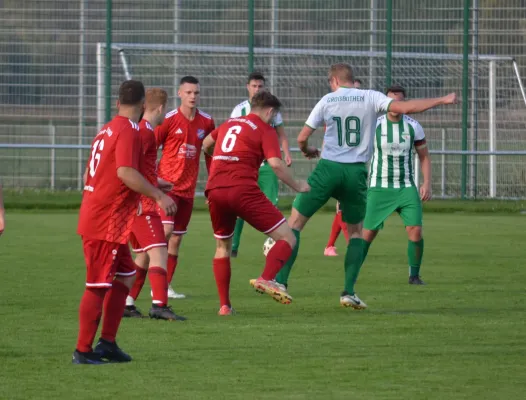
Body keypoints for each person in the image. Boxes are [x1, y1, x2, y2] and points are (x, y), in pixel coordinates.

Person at [273, 63, 457, 309]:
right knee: (357, 232)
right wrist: (442, 100)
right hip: (357, 172)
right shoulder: (371, 97)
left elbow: (302, 137)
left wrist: (308, 150)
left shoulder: (328, 99)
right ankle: (348, 291)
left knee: (295, 223)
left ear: (334, 81)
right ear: (351, 79)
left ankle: (282, 282)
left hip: (328, 169)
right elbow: (406, 107)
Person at [74, 80, 177, 364]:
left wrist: (153, 183)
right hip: (105, 220)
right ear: (144, 105)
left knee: (126, 274)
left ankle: (107, 343)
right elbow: (125, 172)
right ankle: (82, 351)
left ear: (117, 103)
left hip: (107, 217)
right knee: (97, 285)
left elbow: (91, 177)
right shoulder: (130, 131)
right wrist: (156, 194)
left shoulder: (106, 129)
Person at [202, 90, 309, 315]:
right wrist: (298, 185)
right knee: (288, 237)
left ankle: (224, 306)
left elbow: (206, 144)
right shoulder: (265, 129)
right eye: (274, 115)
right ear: (269, 111)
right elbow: (276, 165)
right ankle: (267, 278)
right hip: (242, 189)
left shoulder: (230, 123)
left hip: (215, 190)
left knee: (222, 247)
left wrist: (214, 170)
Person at [125, 88, 186, 320]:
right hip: (143, 205)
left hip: (141, 200)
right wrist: (146, 195)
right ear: (160, 108)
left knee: (142, 256)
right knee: (160, 250)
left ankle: (126, 303)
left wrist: (158, 182)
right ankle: (159, 305)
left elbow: (139, 169)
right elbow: (131, 170)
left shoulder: (141, 130)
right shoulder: (146, 132)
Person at [362, 85, 431, 285]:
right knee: (367, 233)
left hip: (406, 187)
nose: (395, 105)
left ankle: (414, 276)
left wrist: (426, 183)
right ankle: (354, 271)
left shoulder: (414, 126)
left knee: (416, 230)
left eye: (399, 101)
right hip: (379, 186)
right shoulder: (374, 125)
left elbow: (424, 157)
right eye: (391, 101)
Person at [155, 76, 215, 299]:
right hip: (167, 187)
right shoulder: (168, 119)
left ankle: (165, 286)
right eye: (188, 92)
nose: (192, 96)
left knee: (177, 239)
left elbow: (210, 153)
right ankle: (153, 277)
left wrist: (212, 184)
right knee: (166, 232)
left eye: (196, 93)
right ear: (180, 93)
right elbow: (151, 147)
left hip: (188, 190)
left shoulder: (207, 122)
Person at [229, 72, 292, 258]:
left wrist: (286, 152)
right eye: (254, 86)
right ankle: (233, 246)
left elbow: (281, 134)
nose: (257, 89)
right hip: (246, 165)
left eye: (260, 86)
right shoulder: (238, 110)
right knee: (239, 207)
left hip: (267, 164)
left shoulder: (272, 110)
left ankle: (273, 242)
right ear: (247, 87)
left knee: (271, 205)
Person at [324, 78, 363, 256]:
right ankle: (350, 244)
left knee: (345, 207)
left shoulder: (362, 113)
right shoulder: (335, 110)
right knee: (343, 206)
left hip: (355, 164)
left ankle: (330, 246)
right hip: (338, 164)